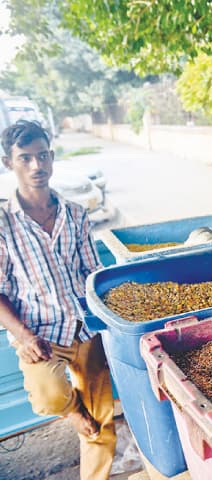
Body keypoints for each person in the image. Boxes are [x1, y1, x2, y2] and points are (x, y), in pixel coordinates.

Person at [0, 120, 116, 479]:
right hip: (40, 335)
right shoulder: (4, 224)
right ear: (9, 163)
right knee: (49, 396)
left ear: (51, 157)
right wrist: (24, 336)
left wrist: (111, 320)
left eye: (43, 156)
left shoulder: (75, 214)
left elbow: (93, 275)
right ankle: (71, 412)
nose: (37, 166)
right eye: (25, 158)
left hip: (85, 328)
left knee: (101, 420)